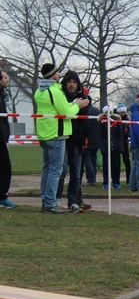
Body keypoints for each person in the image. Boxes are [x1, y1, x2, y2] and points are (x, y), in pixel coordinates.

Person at [34, 62, 89, 214]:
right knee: (55, 170)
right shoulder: (55, 91)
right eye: (57, 72)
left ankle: (46, 201)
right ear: (53, 74)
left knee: (47, 169)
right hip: (56, 134)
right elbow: (66, 113)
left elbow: (58, 108)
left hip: (44, 133)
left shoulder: (39, 91)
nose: (59, 74)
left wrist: (73, 104)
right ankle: (51, 203)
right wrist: (77, 105)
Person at [58, 71, 92, 212]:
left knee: (76, 173)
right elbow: (63, 113)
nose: (71, 85)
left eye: (74, 82)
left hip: (77, 139)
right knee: (61, 171)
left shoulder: (83, 97)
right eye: (69, 82)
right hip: (62, 137)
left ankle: (73, 201)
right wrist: (75, 105)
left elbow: (84, 116)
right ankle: (56, 199)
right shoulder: (60, 96)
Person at [0, 69, 14, 209]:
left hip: (2, 138)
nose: (7, 80)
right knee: (5, 167)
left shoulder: (2, 95)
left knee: (4, 167)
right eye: (5, 77)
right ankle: (2, 198)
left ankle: (2, 197)